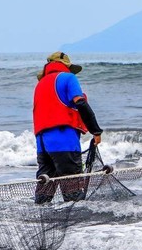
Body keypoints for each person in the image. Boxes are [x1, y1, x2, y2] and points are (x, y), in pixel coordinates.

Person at [33, 51, 103, 203]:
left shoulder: (40, 84)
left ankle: (42, 221)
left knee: (44, 192)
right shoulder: (69, 78)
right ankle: (75, 226)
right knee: (73, 193)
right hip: (64, 140)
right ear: (65, 65)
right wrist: (96, 131)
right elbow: (80, 103)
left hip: (42, 144)